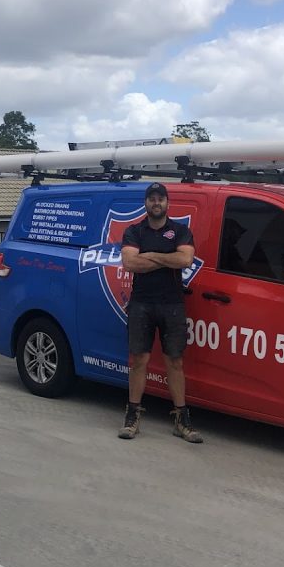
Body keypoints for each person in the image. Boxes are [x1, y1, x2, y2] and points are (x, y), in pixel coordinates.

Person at [118, 182, 203, 443]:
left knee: (175, 362)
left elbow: (185, 260)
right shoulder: (134, 231)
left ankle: (182, 420)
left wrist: (151, 255)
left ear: (167, 203)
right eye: (152, 198)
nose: (156, 203)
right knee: (139, 361)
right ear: (146, 203)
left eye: (161, 199)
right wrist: (166, 257)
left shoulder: (180, 230)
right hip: (142, 303)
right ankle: (132, 418)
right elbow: (130, 262)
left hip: (172, 304)